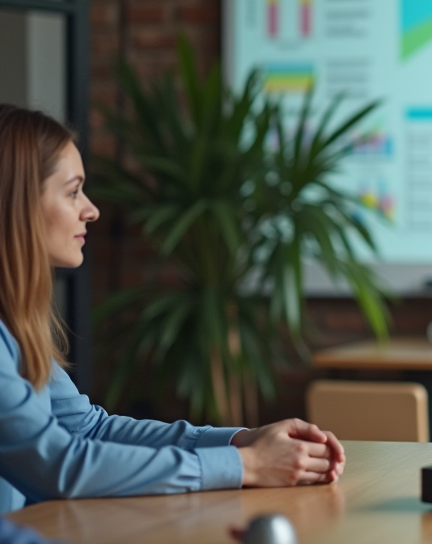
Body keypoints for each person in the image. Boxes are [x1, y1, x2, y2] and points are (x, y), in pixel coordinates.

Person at [0, 104, 346, 514]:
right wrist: (245, 466)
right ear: (17, 203)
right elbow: (59, 466)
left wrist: (240, 441)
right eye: (73, 191)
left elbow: (87, 429)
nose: (90, 209)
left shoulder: (15, 321)